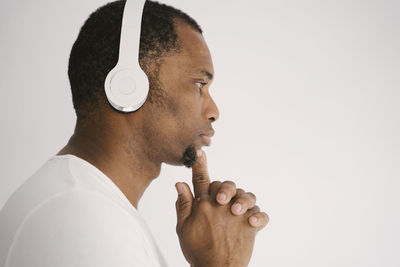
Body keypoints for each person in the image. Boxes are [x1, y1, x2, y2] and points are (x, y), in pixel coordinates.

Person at [0, 1, 269, 266]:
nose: (214, 111)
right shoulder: (81, 215)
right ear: (127, 86)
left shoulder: (89, 204)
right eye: (199, 84)